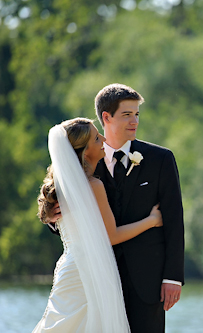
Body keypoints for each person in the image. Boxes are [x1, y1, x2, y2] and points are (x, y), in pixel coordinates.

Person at [34, 118, 164, 332]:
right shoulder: (94, 185)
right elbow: (111, 236)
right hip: (89, 269)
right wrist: (151, 221)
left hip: (69, 266)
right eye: (96, 138)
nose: (103, 139)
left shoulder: (63, 184)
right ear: (85, 152)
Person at [93, 83, 184, 332]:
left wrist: (172, 277)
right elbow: (70, 212)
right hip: (98, 277)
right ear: (106, 117)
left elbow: (175, 220)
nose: (135, 121)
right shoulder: (87, 161)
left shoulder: (160, 159)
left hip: (149, 281)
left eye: (137, 114)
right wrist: (54, 222)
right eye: (127, 115)